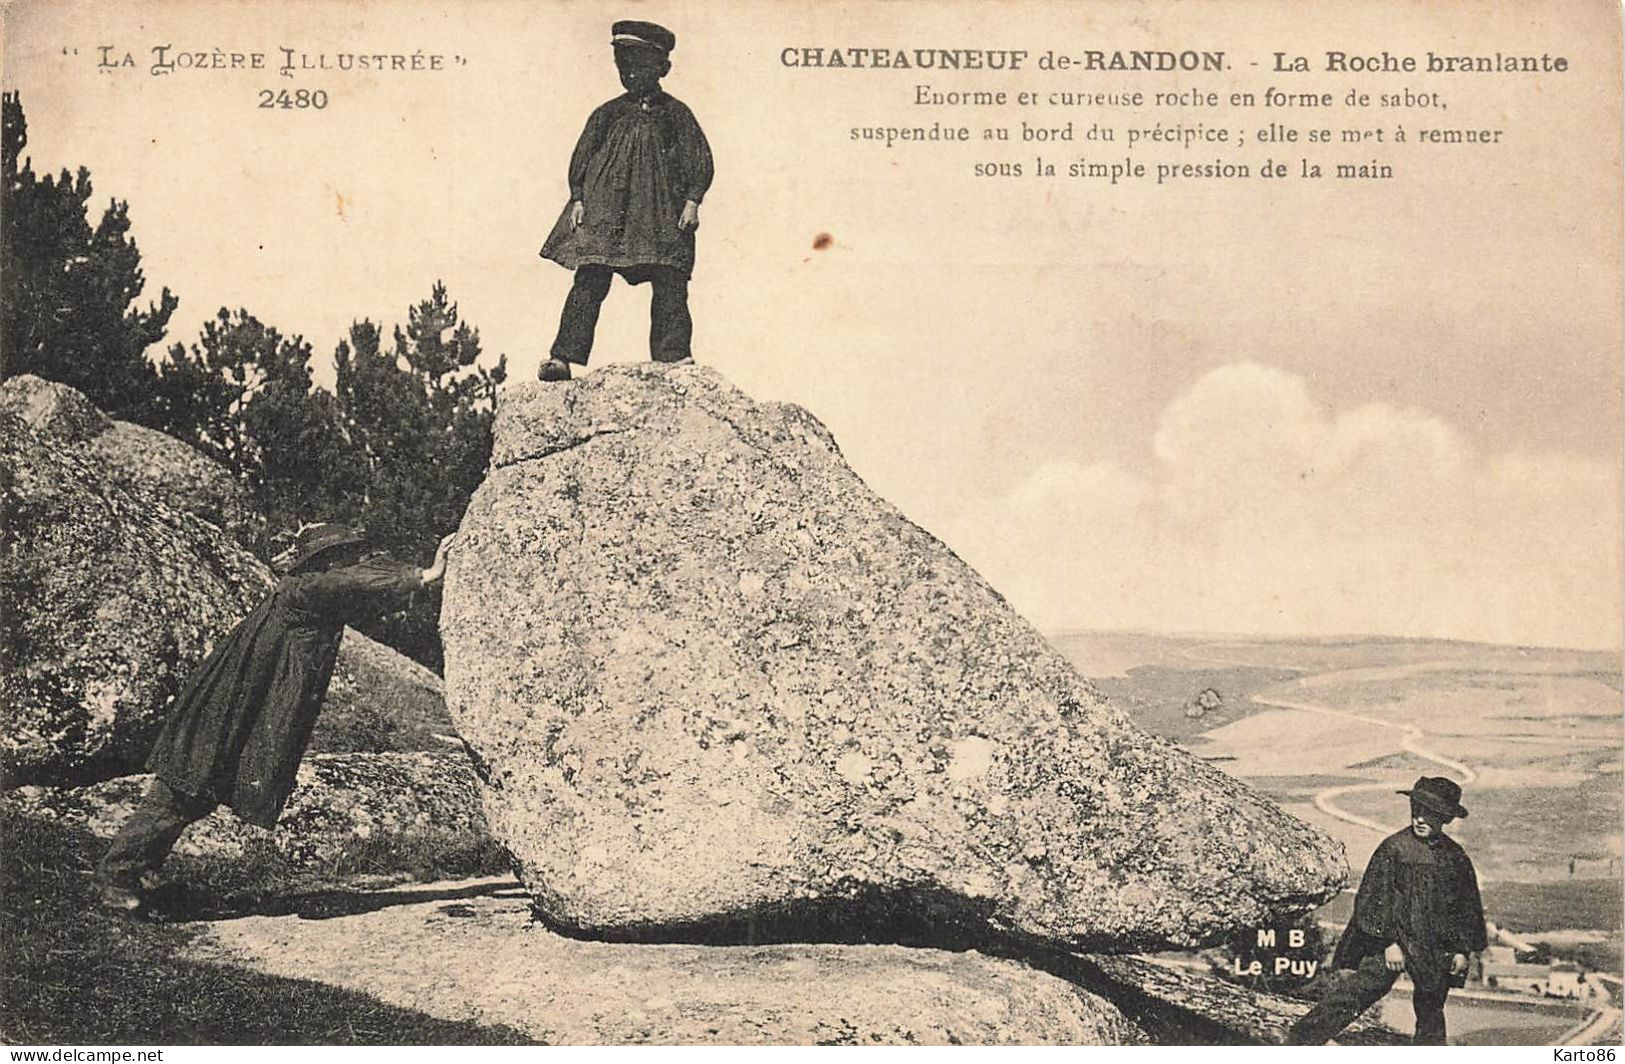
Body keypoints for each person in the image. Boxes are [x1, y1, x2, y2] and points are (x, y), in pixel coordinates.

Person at [93, 523, 455, 912]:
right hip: (228, 705)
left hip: (239, 702)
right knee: (183, 787)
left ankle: (141, 870)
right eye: (345, 556)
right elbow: (355, 584)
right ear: (326, 560)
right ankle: (115, 878)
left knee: (197, 792)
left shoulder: (315, 592)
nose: (353, 562)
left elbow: (364, 587)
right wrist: (425, 574)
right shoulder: (308, 588)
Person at [536, 20, 714, 381]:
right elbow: (582, 158)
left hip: (660, 212)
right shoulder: (607, 113)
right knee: (590, 277)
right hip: (607, 211)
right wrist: (578, 199)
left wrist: (693, 200)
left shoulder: (676, 114)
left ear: (662, 68)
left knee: (670, 278)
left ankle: (674, 356)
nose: (631, 73)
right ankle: (562, 357)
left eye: (640, 65)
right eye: (624, 66)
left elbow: (699, 158)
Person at [1285, 776, 1487, 1045]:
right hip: (1390, 939)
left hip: (1433, 945)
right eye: (1417, 811)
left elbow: (1466, 907)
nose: (1420, 819)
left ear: (1446, 818)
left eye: (1430, 814)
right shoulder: (1394, 849)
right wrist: (1388, 942)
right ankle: (1300, 1040)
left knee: (1431, 1004)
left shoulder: (1455, 858)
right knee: (1362, 989)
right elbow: (1372, 898)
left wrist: (1462, 949)